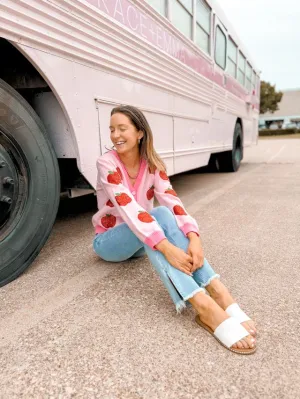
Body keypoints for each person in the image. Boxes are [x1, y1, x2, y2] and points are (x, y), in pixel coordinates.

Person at [92, 105, 257, 355]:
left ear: (139, 133)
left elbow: (172, 200)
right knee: (156, 216)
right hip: (110, 242)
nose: (115, 135)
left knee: (163, 212)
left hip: (142, 243)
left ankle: (216, 290)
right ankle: (203, 305)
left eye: (122, 128)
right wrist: (167, 247)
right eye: (112, 129)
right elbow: (129, 209)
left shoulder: (153, 164)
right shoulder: (107, 164)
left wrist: (194, 238)